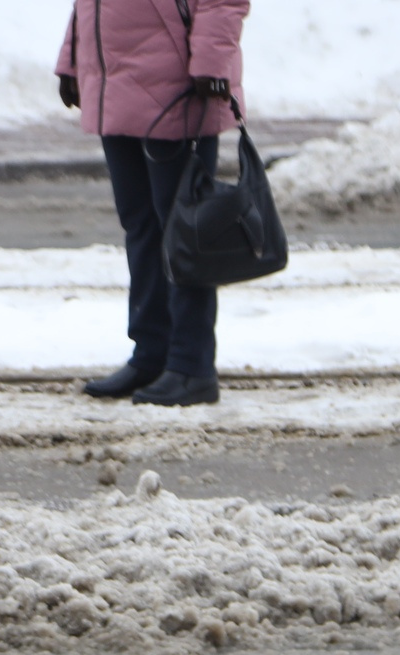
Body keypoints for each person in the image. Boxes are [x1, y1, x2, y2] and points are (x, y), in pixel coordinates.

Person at [56, 0, 248, 408]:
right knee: (141, 226)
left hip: (177, 85)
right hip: (114, 85)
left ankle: (191, 365)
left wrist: (212, 67)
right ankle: (151, 354)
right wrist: (72, 60)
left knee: (184, 232)